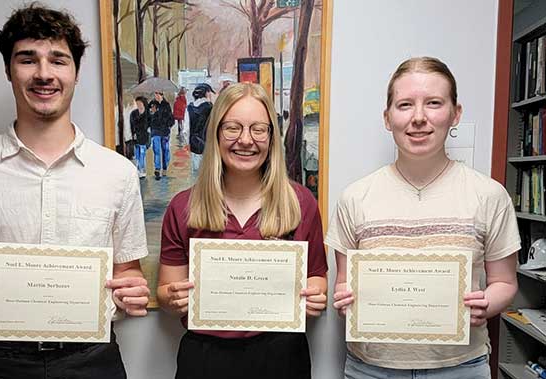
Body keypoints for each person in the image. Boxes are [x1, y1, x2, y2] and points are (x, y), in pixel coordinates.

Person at [0, 4, 150, 378]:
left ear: (76, 72)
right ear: (8, 71)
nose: (44, 74)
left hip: (91, 358)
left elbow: (129, 272)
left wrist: (135, 291)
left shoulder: (118, 173)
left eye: (58, 60)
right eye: (28, 60)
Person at [327, 56, 520, 378]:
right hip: (371, 369)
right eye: (404, 105)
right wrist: (346, 297)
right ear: (388, 118)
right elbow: (344, 282)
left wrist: (486, 303)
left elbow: (505, 282)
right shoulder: (354, 197)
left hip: (460, 367)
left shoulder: (488, 195)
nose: (419, 118)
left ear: (455, 114)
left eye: (433, 103)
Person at [157, 82, 328, 379]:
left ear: (272, 138)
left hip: (282, 356)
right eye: (233, 128)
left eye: (258, 129)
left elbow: (316, 276)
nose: (246, 140)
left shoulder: (301, 203)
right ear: (217, 133)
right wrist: (171, 297)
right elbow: (165, 290)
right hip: (205, 359)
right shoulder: (183, 206)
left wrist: (316, 294)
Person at [187, 83, 215, 173]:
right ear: (206, 94)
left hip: (194, 142)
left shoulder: (190, 108)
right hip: (208, 142)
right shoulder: (210, 107)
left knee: (196, 171)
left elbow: (185, 129)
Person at [149, 90, 173, 179]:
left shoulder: (166, 105)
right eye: (155, 94)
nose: (157, 96)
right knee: (156, 150)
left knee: (165, 150)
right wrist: (152, 113)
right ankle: (157, 169)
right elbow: (149, 116)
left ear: (162, 95)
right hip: (155, 131)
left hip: (165, 131)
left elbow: (171, 118)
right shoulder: (152, 104)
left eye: (158, 94)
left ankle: (165, 167)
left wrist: (169, 126)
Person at [131, 96, 150, 178]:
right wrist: (133, 133)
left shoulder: (148, 114)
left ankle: (142, 170)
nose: (138, 105)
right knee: (137, 154)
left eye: (140, 103)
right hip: (136, 136)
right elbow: (132, 125)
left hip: (144, 136)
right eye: (137, 103)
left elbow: (149, 125)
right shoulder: (133, 113)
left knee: (142, 153)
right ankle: (138, 169)